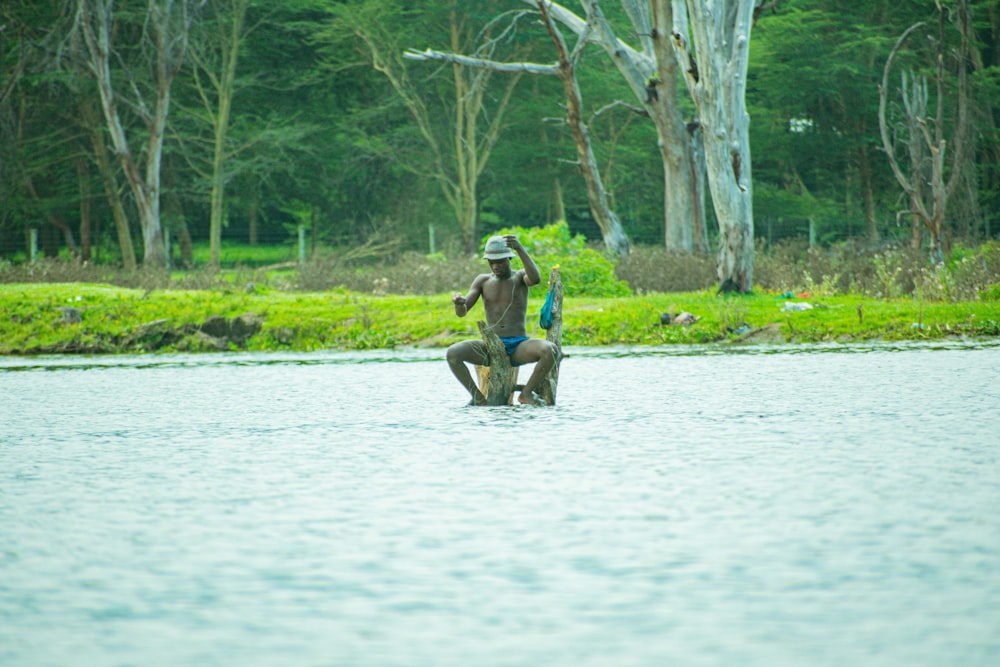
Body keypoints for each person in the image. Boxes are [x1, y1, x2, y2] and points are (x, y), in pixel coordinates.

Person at [447, 234, 557, 406]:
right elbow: (462, 312)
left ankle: (526, 394)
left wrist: (519, 248)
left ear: (509, 259)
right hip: (491, 348)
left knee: (549, 349)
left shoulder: (519, 277)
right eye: (492, 262)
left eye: (500, 262)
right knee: (453, 353)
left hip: (518, 347)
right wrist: (459, 303)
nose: (496, 266)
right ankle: (477, 397)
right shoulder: (483, 280)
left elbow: (535, 279)